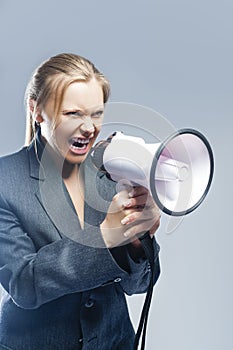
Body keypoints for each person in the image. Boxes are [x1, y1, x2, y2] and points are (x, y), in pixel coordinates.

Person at [0, 53, 161, 350]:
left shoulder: (110, 174)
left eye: (96, 114)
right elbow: (23, 284)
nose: (89, 128)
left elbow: (137, 286)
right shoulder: (5, 180)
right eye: (73, 113)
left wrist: (137, 242)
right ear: (37, 110)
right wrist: (106, 237)